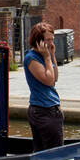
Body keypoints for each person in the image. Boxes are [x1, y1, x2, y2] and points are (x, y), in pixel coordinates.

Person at [24, 21, 64, 150]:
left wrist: (52, 56)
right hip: (43, 110)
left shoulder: (45, 55)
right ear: (38, 41)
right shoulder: (32, 58)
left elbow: (55, 77)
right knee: (53, 152)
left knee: (45, 150)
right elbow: (49, 80)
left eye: (52, 39)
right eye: (48, 40)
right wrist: (47, 58)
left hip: (51, 108)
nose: (51, 43)